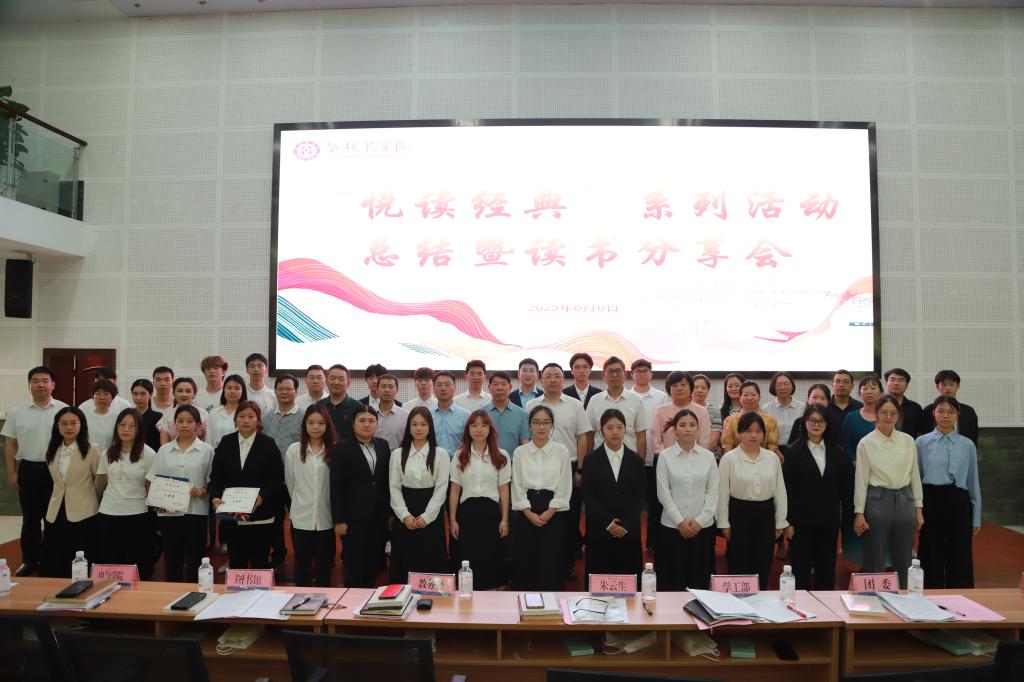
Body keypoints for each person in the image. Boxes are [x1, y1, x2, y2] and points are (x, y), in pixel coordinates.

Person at [526, 363, 591, 579]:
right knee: (542, 514)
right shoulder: (532, 405)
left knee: (569, 517)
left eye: (557, 376)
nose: (553, 380)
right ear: (541, 380)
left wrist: (580, 469)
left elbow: (583, 437)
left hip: (569, 466)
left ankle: (567, 563)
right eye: (548, 376)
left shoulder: (575, 405)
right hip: (539, 466)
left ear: (563, 380)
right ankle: (542, 561)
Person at [2, 366, 67, 576]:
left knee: (54, 519)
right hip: (28, 469)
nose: (41, 385)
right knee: (30, 519)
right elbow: (10, 445)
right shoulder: (17, 412)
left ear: (53, 384)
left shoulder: (64, 410)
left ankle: (51, 560)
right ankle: (30, 560)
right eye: (36, 381)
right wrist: (12, 473)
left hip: (56, 470)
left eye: (45, 381)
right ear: (29, 385)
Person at [853, 396, 924, 589]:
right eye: (884, 412)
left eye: (893, 413)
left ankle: (904, 599)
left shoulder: (908, 441)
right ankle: (873, 600)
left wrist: (918, 508)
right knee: (874, 556)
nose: (888, 417)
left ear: (899, 415)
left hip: (905, 500)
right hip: (877, 500)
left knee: (904, 557)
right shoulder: (866, 443)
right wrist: (859, 512)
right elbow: (861, 480)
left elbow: (915, 475)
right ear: (876, 414)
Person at [783, 404, 853, 590]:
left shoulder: (837, 452)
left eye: (821, 421)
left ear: (827, 424)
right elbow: (788, 490)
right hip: (800, 521)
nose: (816, 425)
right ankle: (801, 606)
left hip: (829, 520)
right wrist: (788, 521)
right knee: (801, 569)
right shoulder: (792, 451)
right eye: (812, 421)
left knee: (826, 568)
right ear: (805, 423)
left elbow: (845, 488)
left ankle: (826, 606)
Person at [718, 412, 789, 590]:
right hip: (738, 513)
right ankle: (737, 601)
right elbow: (722, 493)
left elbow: (780, 492)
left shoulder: (772, 458)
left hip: (765, 513)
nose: (754, 435)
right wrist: (723, 522)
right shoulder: (729, 458)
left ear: (764, 434)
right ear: (739, 433)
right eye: (748, 431)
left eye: (758, 431)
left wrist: (780, 521)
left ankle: (760, 598)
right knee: (738, 561)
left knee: (763, 561)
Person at [209, 401, 284, 570]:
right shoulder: (226, 442)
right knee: (236, 563)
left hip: (261, 516)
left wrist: (262, 497)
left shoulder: (268, 444)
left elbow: (277, 478)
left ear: (258, 421)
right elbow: (216, 477)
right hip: (232, 516)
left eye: (251, 416)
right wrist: (214, 497)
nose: (245, 420)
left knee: (259, 564)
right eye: (241, 416)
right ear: (235, 419)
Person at [916, 396, 981, 588]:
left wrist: (976, 517)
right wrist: (916, 510)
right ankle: (930, 594)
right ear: (933, 413)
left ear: (957, 415)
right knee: (931, 551)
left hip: (959, 502)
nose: (945, 415)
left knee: (960, 553)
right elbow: (916, 479)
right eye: (941, 411)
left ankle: (961, 596)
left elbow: (973, 481)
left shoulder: (967, 444)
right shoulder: (921, 442)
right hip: (931, 501)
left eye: (951, 412)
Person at [147, 405, 215, 582]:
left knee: (196, 559)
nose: (184, 425)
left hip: (196, 512)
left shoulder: (207, 450)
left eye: (189, 421)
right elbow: (154, 480)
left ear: (198, 425)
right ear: (174, 424)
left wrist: (203, 490)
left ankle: (196, 594)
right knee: (172, 559)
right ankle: (173, 595)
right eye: (180, 421)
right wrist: (157, 502)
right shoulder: (164, 450)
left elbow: (212, 481)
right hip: (169, 514)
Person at [655, 409, 719, 591]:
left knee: (700, 580)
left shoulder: (708, 457)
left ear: (698, 429)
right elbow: (663, 493)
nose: (688, 429)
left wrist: (700, 521)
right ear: (675, 430)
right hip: (672, 528)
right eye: (682, 425)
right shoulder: (665, 456)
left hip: (702, 528)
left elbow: (713, 491)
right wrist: (680, 522)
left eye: (692, 425)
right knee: (672, 580)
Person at [510, 405, 572, 590]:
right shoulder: (520, 452)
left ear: (552, 425)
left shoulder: (561, 451)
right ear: (530, 425)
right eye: (536, 422)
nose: (541, 427)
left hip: (553, 510)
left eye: (546, 422)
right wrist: (528, 512)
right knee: (525, 556)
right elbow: (517, 485)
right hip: (527, 509)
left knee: (551, 556)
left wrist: (550, 511)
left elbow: (564, 484)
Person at [330, 405, 391, 587]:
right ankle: (353, 600)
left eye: (371, 421)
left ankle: (369, 600)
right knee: (355, 565)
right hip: (353, 519)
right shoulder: (341, 448)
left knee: (374, 564)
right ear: (353, 423)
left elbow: (386, 481)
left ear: (377, 424)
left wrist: (389, 514)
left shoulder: (383, 445)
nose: (366, 424)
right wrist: (339, 520)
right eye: (362, 420)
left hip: (378, 517)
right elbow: (336, 486)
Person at [448, 410, 511, 590]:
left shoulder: (501, 455)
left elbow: (504, 489)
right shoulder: (460, 455)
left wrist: (505, 520)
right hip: (466, 513)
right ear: (468, 429)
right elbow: (455, 490)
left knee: (491, 557)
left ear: (490, 429)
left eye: (484, 425)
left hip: (491, 513)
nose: (479, 430)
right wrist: (452, 520)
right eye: (474, 425)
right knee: (467, 556)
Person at [649, 372, 710, 554]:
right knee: (660, 505)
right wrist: (669, 458)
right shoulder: (661, 410)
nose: (679, 388)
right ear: (669, 389)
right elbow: (656, 440)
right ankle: (657, 544)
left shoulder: (701, 411)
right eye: (675, 385)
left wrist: (692, 457)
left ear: (690, 387)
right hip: (665, 464)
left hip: (696, 464)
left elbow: (704, 441)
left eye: (683, 384)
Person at [582, 409, 645, 582]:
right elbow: (588, 496)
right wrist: (609, 523)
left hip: (628, 530)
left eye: (619, 427)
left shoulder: (636, 460)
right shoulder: (590, 460)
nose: (615, 432)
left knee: (628, 580)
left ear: (626, 429)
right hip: (599, 529)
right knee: (599, 580)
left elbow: (640, 496)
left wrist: (625, 525)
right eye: (609, 428)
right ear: (602, 430)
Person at [389, 406, 450, 582]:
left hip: (431, 514)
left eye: (423, 424)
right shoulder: (398, 454)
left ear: (430, 427)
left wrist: (427, 516)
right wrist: (405, 516)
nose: (418, 428)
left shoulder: (441, 454)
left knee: (431, 560)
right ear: (408, 427)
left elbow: (441, 488)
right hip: (405, 513)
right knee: (404, 561)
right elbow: (394, 488)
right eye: (414, 424)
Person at [95, 408, 157, 579]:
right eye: (122, 425)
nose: (126, 429)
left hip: (137, 514)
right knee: (110, 562)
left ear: (140, 429)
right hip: (108, 513)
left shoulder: (149, 454)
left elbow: (150, 487)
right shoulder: (107, 452)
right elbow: (101, 484)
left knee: (136, 563)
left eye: (132, 426)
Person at [41, 406, 101, 578]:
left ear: (82, 424)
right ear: (57, 426)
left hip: (84, 509)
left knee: (80, 552)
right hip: (56, 508)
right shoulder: (52, 450)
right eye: (64, 423)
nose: (68, 427)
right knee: (55, 552)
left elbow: (99, 480)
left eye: (73, 423)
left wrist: (91, 497)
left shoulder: (92, 449)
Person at [285, 405, 339, 587]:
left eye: (321, 423)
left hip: (326, 518)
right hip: (301, 518)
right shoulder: (294, 450)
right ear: (304, 425)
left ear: (327, 425)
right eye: (311, 422)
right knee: (302, 566)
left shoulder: (335, 450)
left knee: (325, 567)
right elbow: (291, 484)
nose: (316, 427)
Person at [585, 356, 648, 462]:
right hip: (600, 459)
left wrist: (640, 463)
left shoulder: (636, 400)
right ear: (604, 375)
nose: (614, 375)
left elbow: (641, 435)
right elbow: (589, 435)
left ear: (625, 375)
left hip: (629, 459)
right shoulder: (595, 400)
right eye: (610, 371)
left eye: (618, 371)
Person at [720, 381, 781, 456]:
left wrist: (764, 460)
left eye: (753, 395)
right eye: (745, 395)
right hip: (737, 460)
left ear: (759, 397)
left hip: (764, 460)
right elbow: (727, 445)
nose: (749, 398)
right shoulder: (730, 420)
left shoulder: (770, 420)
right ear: (740, 398)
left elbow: (772, 445)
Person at [919, 370, 979, 445]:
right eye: (944, 385)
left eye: (951, 384)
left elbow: (973, 436)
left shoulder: (968, 411)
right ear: (937, 386)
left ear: (958, 386)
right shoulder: (928, 410)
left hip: (961, 449)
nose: (948, 388)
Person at [484, 371, 531, 456]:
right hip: (486, 461)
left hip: (513, 461)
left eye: (503, 384)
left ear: (510, 387)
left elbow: (525, 444)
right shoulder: (481, 414)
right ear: (489, 388)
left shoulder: (522, 414)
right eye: (495, 384)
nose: (499, 388)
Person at [317, 364, 363, 443]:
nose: (336, 382)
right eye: (332, 378)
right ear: (326, 382)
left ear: (348, 383)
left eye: (341, 379)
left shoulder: (358, 407)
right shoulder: (318, 406)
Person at [842, 375, 882, 463]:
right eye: (865, 388)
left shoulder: (886, 417)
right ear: (860, 393)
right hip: (857, 465)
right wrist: (854, 461)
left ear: (881, 393)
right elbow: (846, 444)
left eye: (873, 388)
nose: (869, 392)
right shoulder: (851, 417)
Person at [158, 377, 209, 444]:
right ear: (174, 394)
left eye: (188, 391)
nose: (184, 394)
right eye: (180, 391)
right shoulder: (167, 414)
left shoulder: (203, 414)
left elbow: (207, 442)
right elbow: (164, 445)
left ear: (194, 394)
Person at [431, 371, 470, 455]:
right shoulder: (428, 415)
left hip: (457, 461)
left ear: (454, 388)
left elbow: (469, 442)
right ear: (433, 389)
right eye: (439, 385)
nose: (443, 388)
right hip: (433, 461)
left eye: (447, 385)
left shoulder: (466, 416)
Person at [263, 374, 303, 456]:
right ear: (275, 392)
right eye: (280, 389)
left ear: (296, 392)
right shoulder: (268, 417)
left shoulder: (303, 417)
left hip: (294, 463)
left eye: (288, 389)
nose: (284, 392)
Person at [206, 374, 247, 448]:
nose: (232, 391)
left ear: (242, 391)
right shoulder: (214, 414)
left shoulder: (246, 414)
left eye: (237, 388)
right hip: (217, 453)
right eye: (229, 388)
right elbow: (208, 440)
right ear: (224, 390)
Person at [80, 379, 120, 451]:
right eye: (98, 394)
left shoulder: (117, 417)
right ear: (93, 396)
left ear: (113, 397)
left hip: (108, 456)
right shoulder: (84, 416)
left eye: (106, 394)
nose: (102, 397)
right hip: (87, 455)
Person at [828, 369, 862, 450]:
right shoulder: (825, 406)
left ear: (852, 386)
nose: (841, 385)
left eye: (846, 382)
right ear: (832, 385)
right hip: (829, 452)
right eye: (838, 381)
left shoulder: (860, 407)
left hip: (855, 452)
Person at [373, 374, 409, 450]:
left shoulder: (406, 416)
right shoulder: (370, 414)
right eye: (383, 386)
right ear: (377, 390)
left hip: (397, 457)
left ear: (397, 390)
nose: (387, 390)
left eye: (391, 387)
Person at [885, 368, 924, 438]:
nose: (896, 383)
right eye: (892, 380)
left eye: (901, 380)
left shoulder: (915, 408)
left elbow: (920, 433)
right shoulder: (877, 406)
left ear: (907, 385)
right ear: (886, 383)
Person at [763, 371, 800, 445]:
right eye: (779, 384)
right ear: (773, 387)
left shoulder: (801, 407)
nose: (783, 387)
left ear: (792, 386)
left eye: (786, 384)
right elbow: (765, 434)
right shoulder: (766, 408)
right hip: (774, 448)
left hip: (797, 448)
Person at [130, 378, 163, 453]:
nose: (138, 398)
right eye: (135, 394)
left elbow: (159, 443)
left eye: (143, 394)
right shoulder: (127, 416)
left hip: (151, 456)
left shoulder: (158, 417)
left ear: (150, 394)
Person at [692, 374, 722, 453]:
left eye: (703, 388)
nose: (699, 390)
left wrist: (703, 456)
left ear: (708, 390)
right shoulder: (685, 409)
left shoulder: (715, 411)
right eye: (696, 387)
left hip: (710, 455)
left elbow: (714, 440)